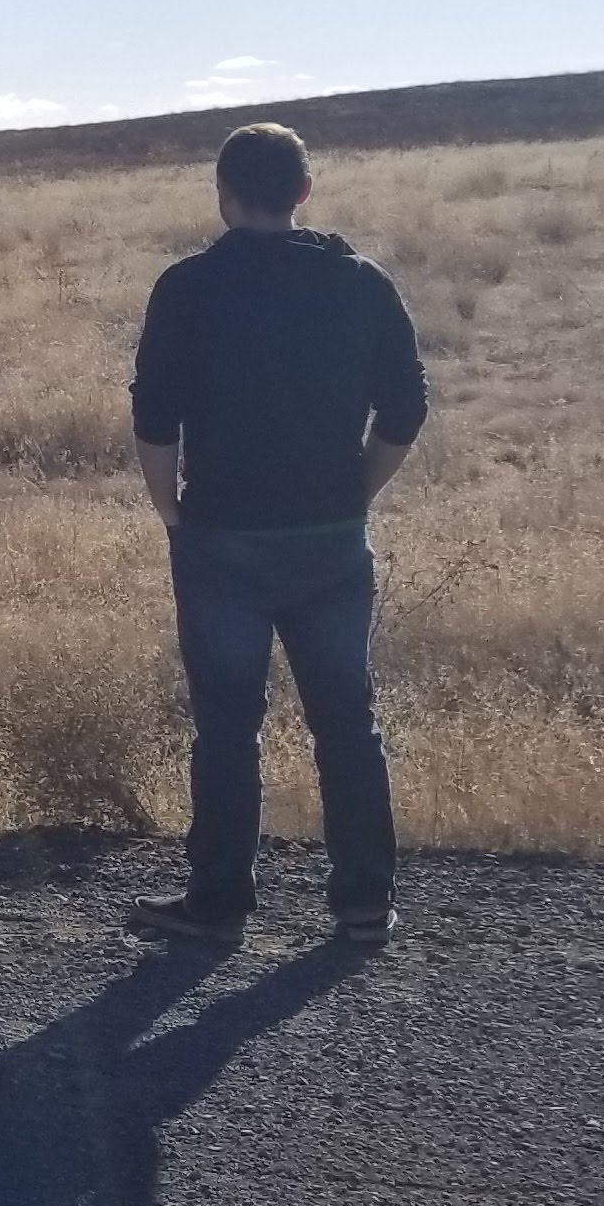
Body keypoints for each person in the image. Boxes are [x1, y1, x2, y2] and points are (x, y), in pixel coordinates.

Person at [125, 123, 428, 950]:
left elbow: (154, 418)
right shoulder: (362, 284)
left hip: (221, 537)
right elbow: (406, 409)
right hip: (330, 542)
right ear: (304, 191)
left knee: (227, 728)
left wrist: (173, 516)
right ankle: (364, 904)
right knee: (346, 722)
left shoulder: (186, 288)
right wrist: (354, 492)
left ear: (223, 195)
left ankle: (219, 906)